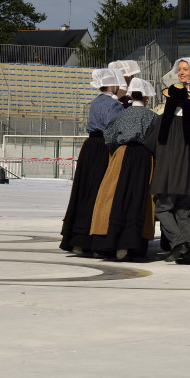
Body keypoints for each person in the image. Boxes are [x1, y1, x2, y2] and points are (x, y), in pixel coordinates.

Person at [147, 58, 190, 265]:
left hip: (170, 176)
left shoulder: (164, 121)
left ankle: (179, 243)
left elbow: (151, 145)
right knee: (184, 214)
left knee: (163, 209)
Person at [89, 78, 157, 260]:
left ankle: (113, 241)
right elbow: (157, 140)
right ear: (146, 98)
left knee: (116, 195)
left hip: (122, 155)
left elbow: (109, 137)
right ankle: (134, 243)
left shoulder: (121, 114)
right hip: (144, 157)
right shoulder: (152, 116)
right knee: (139, 198)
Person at [60, 68, 125, 255]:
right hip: (104, 147)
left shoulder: (95, 102)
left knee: (84, 192)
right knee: (101, 193)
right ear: (112, 84)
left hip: (89, 146)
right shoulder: (115, 106)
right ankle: (96, 242)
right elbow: (113, 127)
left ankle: (78, 241)